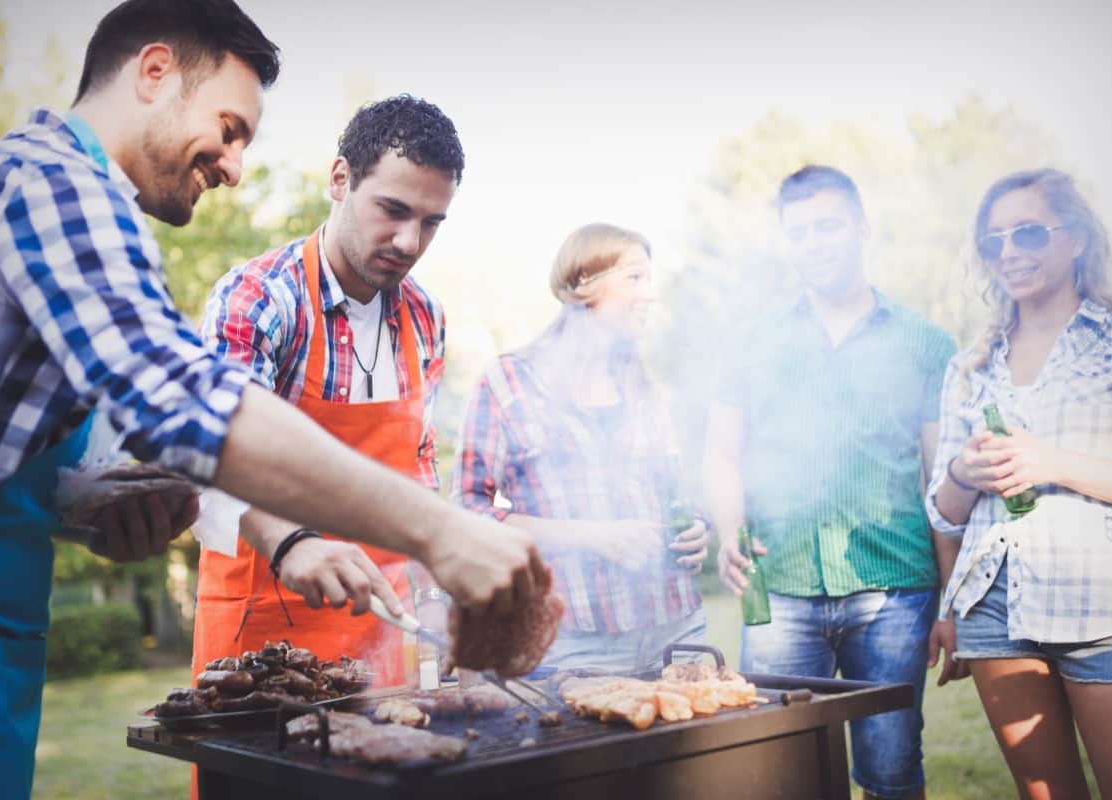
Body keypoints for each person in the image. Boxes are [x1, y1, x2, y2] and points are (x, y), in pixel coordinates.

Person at [0, 2, 541, 796]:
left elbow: (8, 441)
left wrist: (77, 505)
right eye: (229, 128)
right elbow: (181, 400)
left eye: (431, 222)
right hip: (257, 621)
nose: (235, 167)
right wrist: (443, 532)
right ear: (153, 73)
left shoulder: (423, 317)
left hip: (8, 638)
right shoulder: (55, 185)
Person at [704, 166, 964, 800]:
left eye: (828, 226)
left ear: (861, 228)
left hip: (895, 591)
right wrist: (729, 531)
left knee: (891, 770)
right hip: (779, 585)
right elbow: (721, 454)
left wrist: (951, 603)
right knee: (780, 770)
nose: (814, 244)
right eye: (799, 233)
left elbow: (942, 483)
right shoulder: (750, 342)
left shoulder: (925, 342)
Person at [926, 168, 1112, 799]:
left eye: (1029, 233)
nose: (1009, 252)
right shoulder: (970, 366)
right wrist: (963, 472)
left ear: (1076, 239)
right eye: (994, 241)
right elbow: (943, 512)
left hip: (1110, 607)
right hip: (994, 610)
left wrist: (1051, 463)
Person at [192, 96, 461, 687]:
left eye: (431, 222)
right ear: (340, 179)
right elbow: (210, 456)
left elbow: (418, 469)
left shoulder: (426, 317)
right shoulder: (259, 299)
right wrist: (292, 542)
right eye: (393, 210)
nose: (409, 242)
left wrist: (434, 594)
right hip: (259, 641)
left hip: (382, 633)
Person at [453, 223, 709, 673]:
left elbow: (676, 493)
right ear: (584, 281)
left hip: (677, 627)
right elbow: (469, 511)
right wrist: (592, 535)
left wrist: (697, 528)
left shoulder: (645, 383)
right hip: (575, 641)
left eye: (649, 279)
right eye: (635, 277)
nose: (650, 294)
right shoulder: (510, 382)